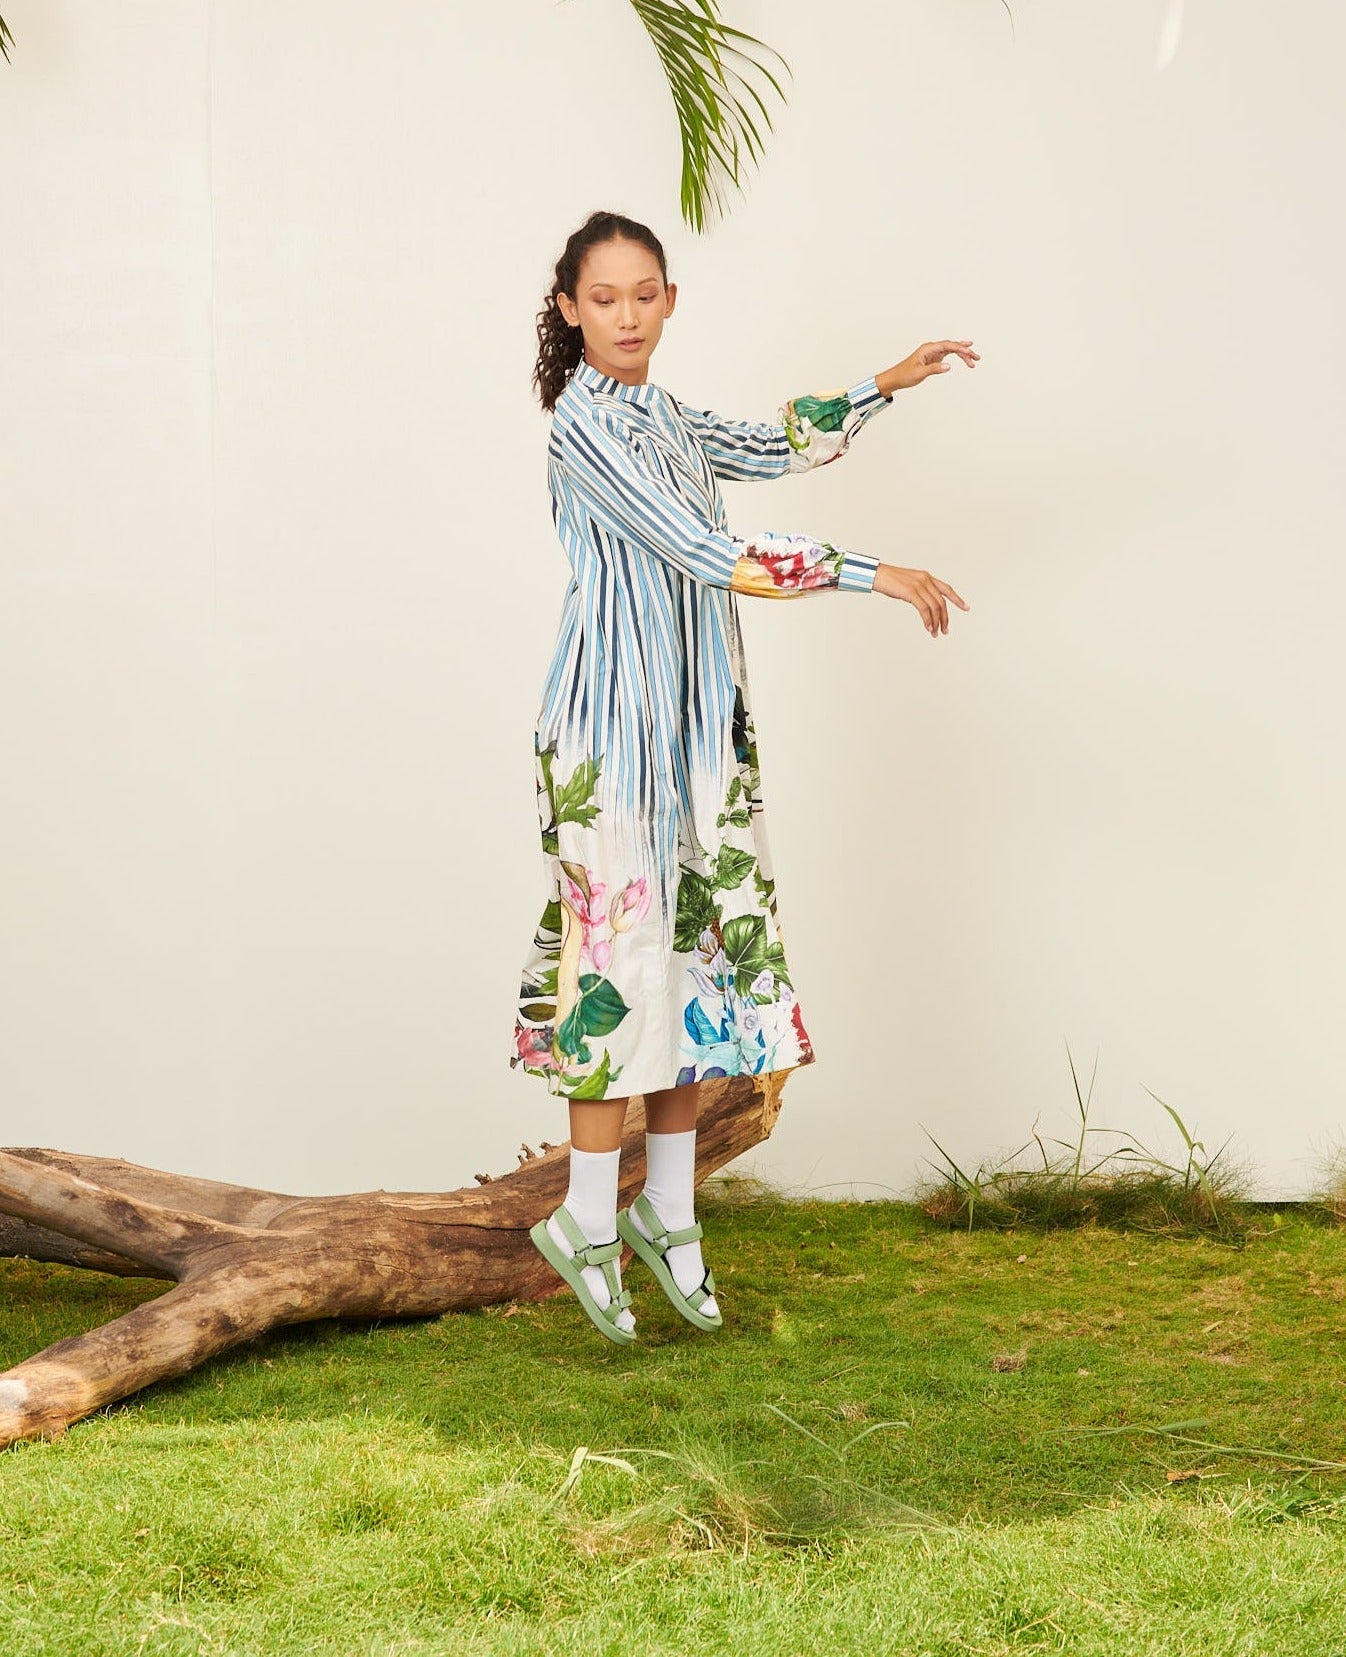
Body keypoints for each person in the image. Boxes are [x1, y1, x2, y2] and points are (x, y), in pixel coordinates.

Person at [513, 209, 975, 1345]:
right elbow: (706, 551)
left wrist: (884, 382)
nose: (627, 315)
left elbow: (770, 444)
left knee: (695, 968)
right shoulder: (586, 428)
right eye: (604, 297)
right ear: (570, 308)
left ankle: (668, 1213)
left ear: (670, 300)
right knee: (612, 975)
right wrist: (872, 572)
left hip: (694, 738)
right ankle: (584, 1218)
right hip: (610, 747)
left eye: (645, 293)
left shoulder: (663, 414)